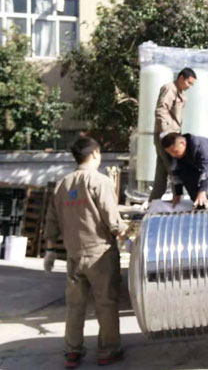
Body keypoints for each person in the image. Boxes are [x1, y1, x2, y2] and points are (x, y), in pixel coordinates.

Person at [43, 137, 128, 369]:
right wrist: (125, 234)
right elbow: (111, 217)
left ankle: (73, 351)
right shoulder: (99, 181)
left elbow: (51, 220)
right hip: (100, 254)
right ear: (95, 154)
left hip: (73, 255)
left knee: (75, 306)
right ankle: (108, 351)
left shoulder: (63, 184)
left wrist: (50, 249)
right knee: (106, 303)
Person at [149, 67, 197, 202]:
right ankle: (178, 200)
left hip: (173, 136)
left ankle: (153, 203)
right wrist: (165, 134)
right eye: (188, 82)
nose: (189, 86)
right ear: (181, 78)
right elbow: (161, 110)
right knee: (175, 169)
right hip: (167, 138)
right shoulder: (170, 89)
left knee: (161, 172)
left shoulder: (180, 93)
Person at [161, 132, 208, 209]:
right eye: (170, 153)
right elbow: (176, 173)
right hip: (195, 167)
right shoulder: (176, 154)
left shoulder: (200, 146)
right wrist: (178, 194)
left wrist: (202, 191)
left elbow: (206, 168)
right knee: (185, 175)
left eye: (175, 151)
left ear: (182, 143)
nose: (173, 155)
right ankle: (199, 204)